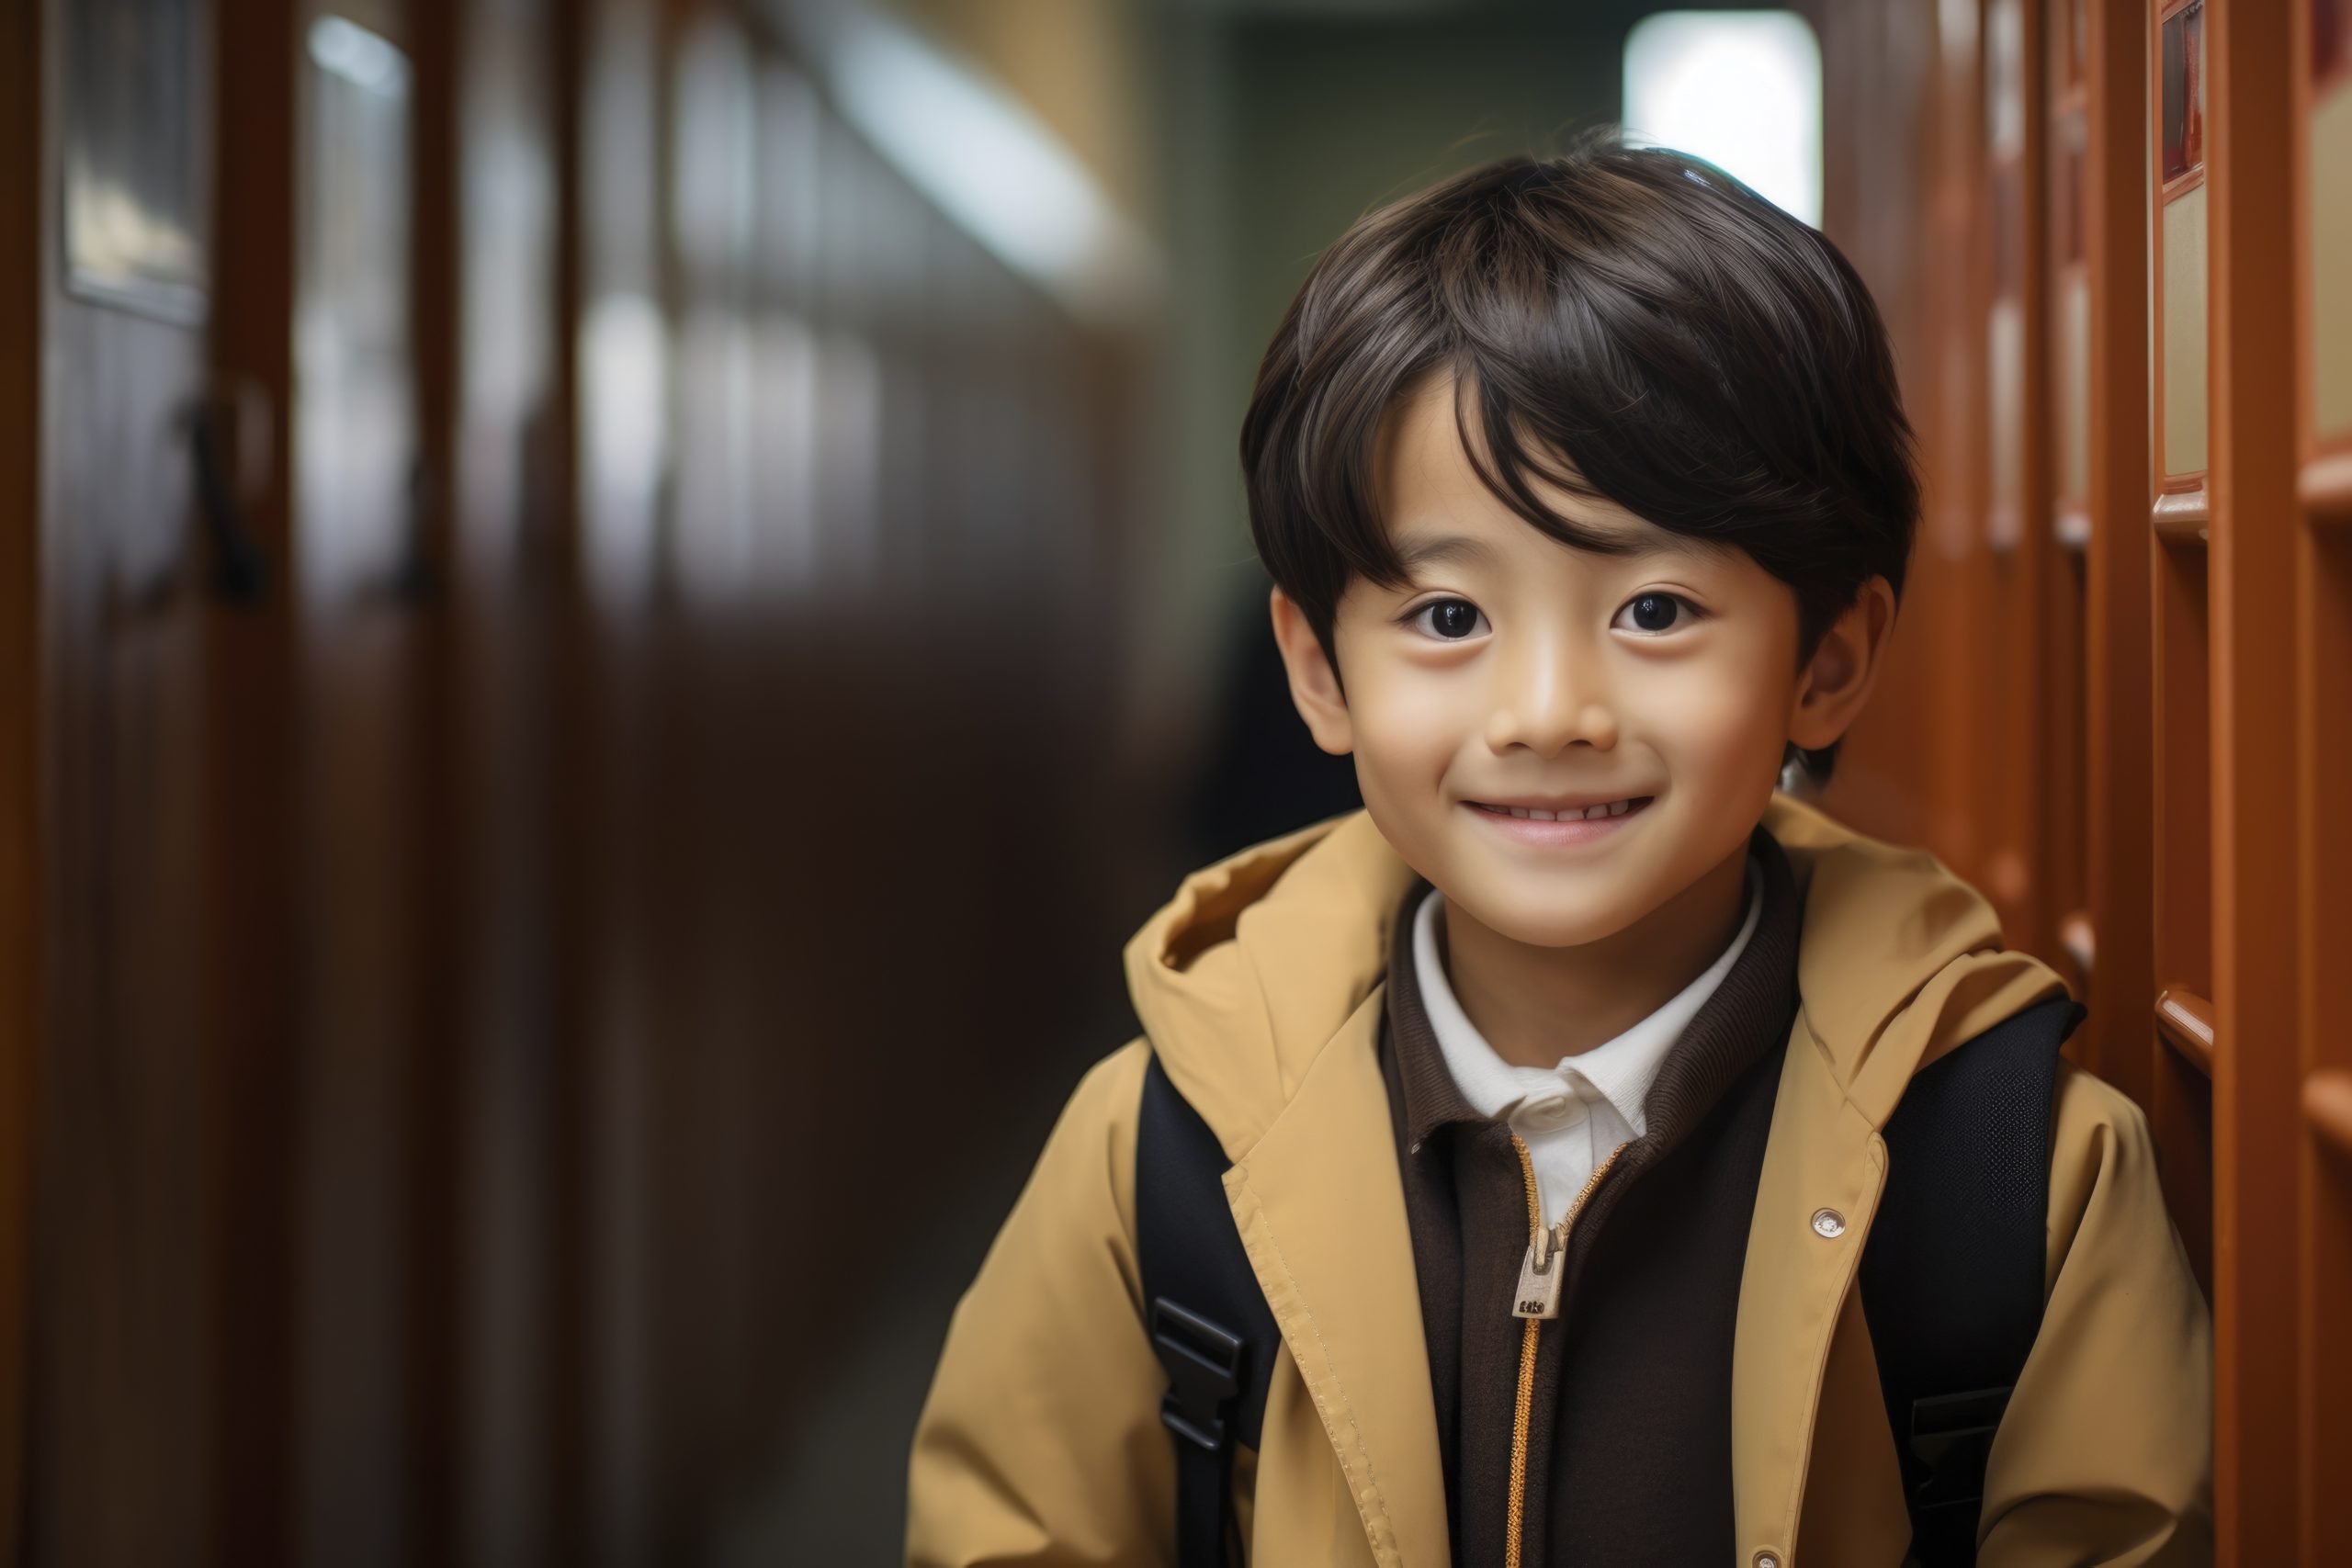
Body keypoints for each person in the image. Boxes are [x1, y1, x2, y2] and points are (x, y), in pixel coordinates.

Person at [905, 138, 2212, 1567]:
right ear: (1319, 669)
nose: (1547, 716)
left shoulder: (2015, 1171)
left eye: (1653, 610)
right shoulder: (1158, 1149)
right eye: (1450, 618)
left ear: (1827, 662)